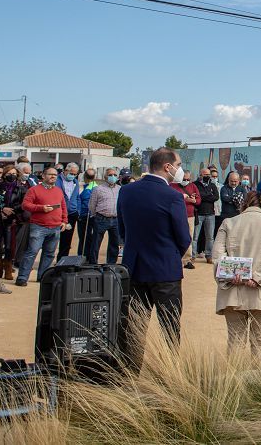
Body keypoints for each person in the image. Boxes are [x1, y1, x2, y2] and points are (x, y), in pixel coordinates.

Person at [117, 147, 192, 368]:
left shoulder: (126, 191)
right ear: (167, 167)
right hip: (165, 271)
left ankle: (131, 373)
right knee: (169, 326)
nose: (179, 170)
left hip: (134, 268)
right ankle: (169, 372)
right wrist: (170, 255)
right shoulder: (173, 196)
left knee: (135, 325)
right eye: (178, 165)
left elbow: (122, 229)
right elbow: (183, 237)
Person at [213, 191, 261, 356]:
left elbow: (218, 256)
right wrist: (257, 278)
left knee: (235, 343)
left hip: (233, 291)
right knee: (260, 343)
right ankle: (259, 382)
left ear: (244, 204)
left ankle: (233, 382)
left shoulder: (228, 223)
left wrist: (234, 274)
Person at [16, 166, 67, 287]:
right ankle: (22, 277)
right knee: (32, 252)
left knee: (49, 254)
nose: (53, 177)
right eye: (50, 174)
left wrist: (64, 220)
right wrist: (41, 208)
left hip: (55, 227)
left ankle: (43, 277)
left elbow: (63, 206)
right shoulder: (34, 190)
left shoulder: (59, 190)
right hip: (39, 226)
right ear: (43, 176)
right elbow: (25, 205)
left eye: (55, 175)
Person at [0, 165, 25, 280]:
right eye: (10, 173)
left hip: (12, 220)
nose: (12, 176)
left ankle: (8, 269)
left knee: (10, 246)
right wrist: (2, 209)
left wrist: (12, 210)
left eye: (14, 174)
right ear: (5, 174)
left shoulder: (20, 188)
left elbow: (23, 203)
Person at [86, 167, 122, 264]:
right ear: (105, 177)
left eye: (115, 175)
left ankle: (111, 264)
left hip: (115, 219)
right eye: (110, 175)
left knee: (114, 244)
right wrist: (95, 216)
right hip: (101, 219)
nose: (112, 177)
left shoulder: (120, 189)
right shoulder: (98, 189)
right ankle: (93, 264)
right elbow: (92, 205)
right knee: (96, 243)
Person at [170, 167, 201, 270]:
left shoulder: (193, 186)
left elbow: (199, 200)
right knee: (174, 237)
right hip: (176, 215)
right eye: (184, 179)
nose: (186, 181)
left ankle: (187, 260)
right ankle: (175, 259)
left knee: (189, 238)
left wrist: (193, 201)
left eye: (188, 179)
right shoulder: (172, 186)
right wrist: (182, 197)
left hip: (190, 216)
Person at [192, 167, 219, 263]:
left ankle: (209, 256)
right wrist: (208, 195)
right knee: (195, 237)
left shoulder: (212, 185)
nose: (207, 176)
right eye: (205, 174)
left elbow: (216, 197)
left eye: (208, 175)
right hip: (198, 214)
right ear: (200, 175)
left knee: (210, 237)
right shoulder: (195, 185)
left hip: (210, 214)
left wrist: (203, 196)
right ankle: (193, 255)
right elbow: (197, 196)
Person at [55, 163, 82, 258]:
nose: (73, 176)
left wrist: (77, 210)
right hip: (58, 214)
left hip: (71, 214)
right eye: (72, 173)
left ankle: (62, 261)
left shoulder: (75, 182)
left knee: (66, 240)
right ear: (66, 171)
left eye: (75, 174)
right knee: (53, 239)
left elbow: (77, 197)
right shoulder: (57, 180)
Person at [75, 167, 98, 261]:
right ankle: (83, 256)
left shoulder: (94, 188)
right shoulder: (83, 186)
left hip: (89, 215)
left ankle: (87, 257)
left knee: (87, 237)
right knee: (85, 237)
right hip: (84, 216)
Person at [219, 171, 248, 237]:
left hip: (238, 216)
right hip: (226, 217)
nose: (233, 183)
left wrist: (230, 198)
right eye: (231, 181)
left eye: (235, 181)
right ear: (228, 180)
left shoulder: (242, 189)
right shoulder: (224, 188)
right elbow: (224, 198)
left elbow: (245, 199)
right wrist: (237, 198)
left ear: (239, 180)